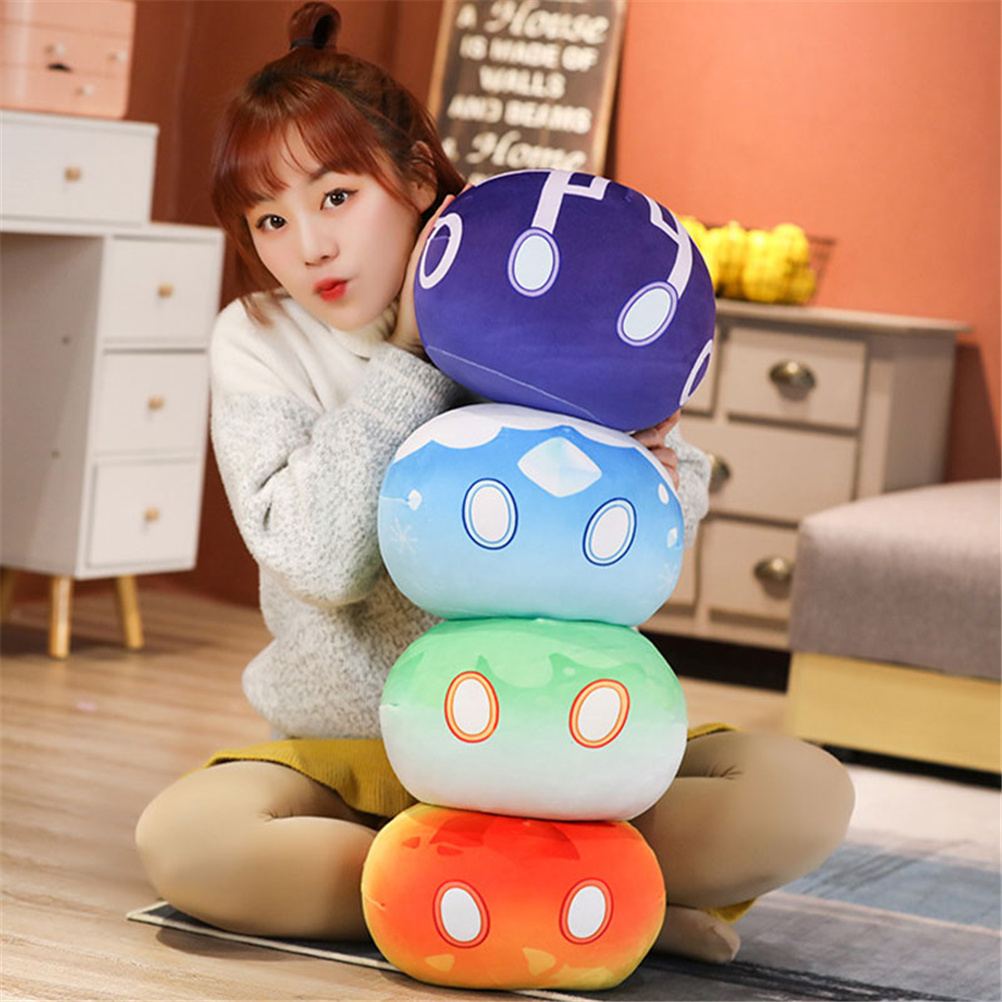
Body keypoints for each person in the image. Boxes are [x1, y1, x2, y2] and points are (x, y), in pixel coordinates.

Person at [135, 1, 854, 967]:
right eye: (270, 219)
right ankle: (584, 904)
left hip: (560, 752)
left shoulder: (530, 300)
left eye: (336, 196)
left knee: (801, 794)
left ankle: (468, 903)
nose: (307, 246)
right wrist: (409, 362)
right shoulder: (259, 339)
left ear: (417, 177)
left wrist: (658, 473)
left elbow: (638, 565)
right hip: (358, 760)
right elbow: (320, 562)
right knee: (189, 842)